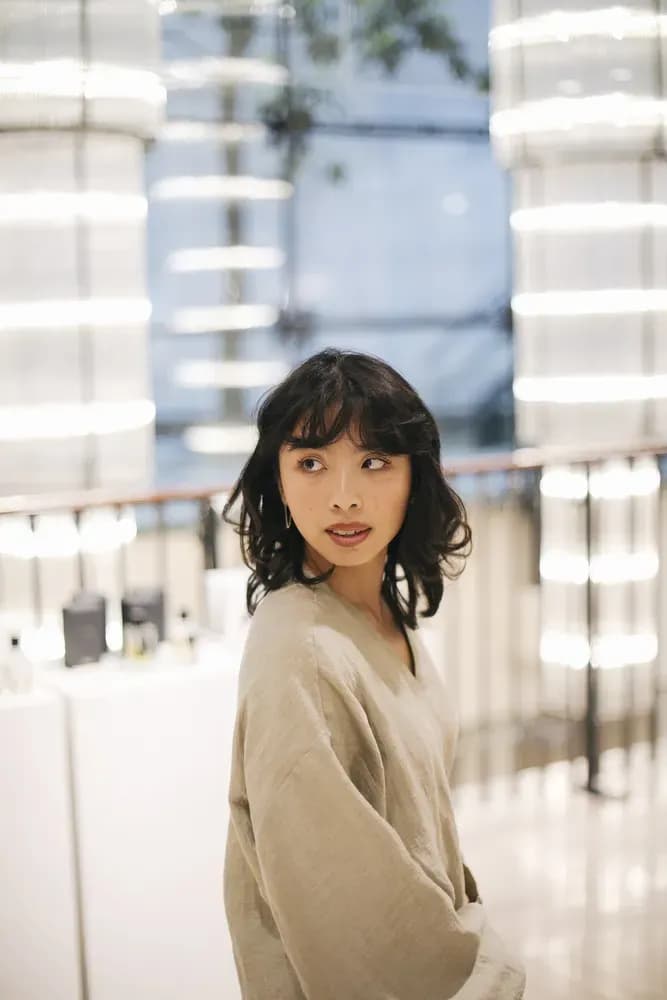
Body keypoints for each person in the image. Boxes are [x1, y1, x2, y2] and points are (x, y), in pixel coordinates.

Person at [221, 347, 526, 999]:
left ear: (413, 475)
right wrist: (485, 967)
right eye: (311, 463)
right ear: (276, 479)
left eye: (373, 462)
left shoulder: (385, 611)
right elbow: (347, 911)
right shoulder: (296, 650)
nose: (344, 498)